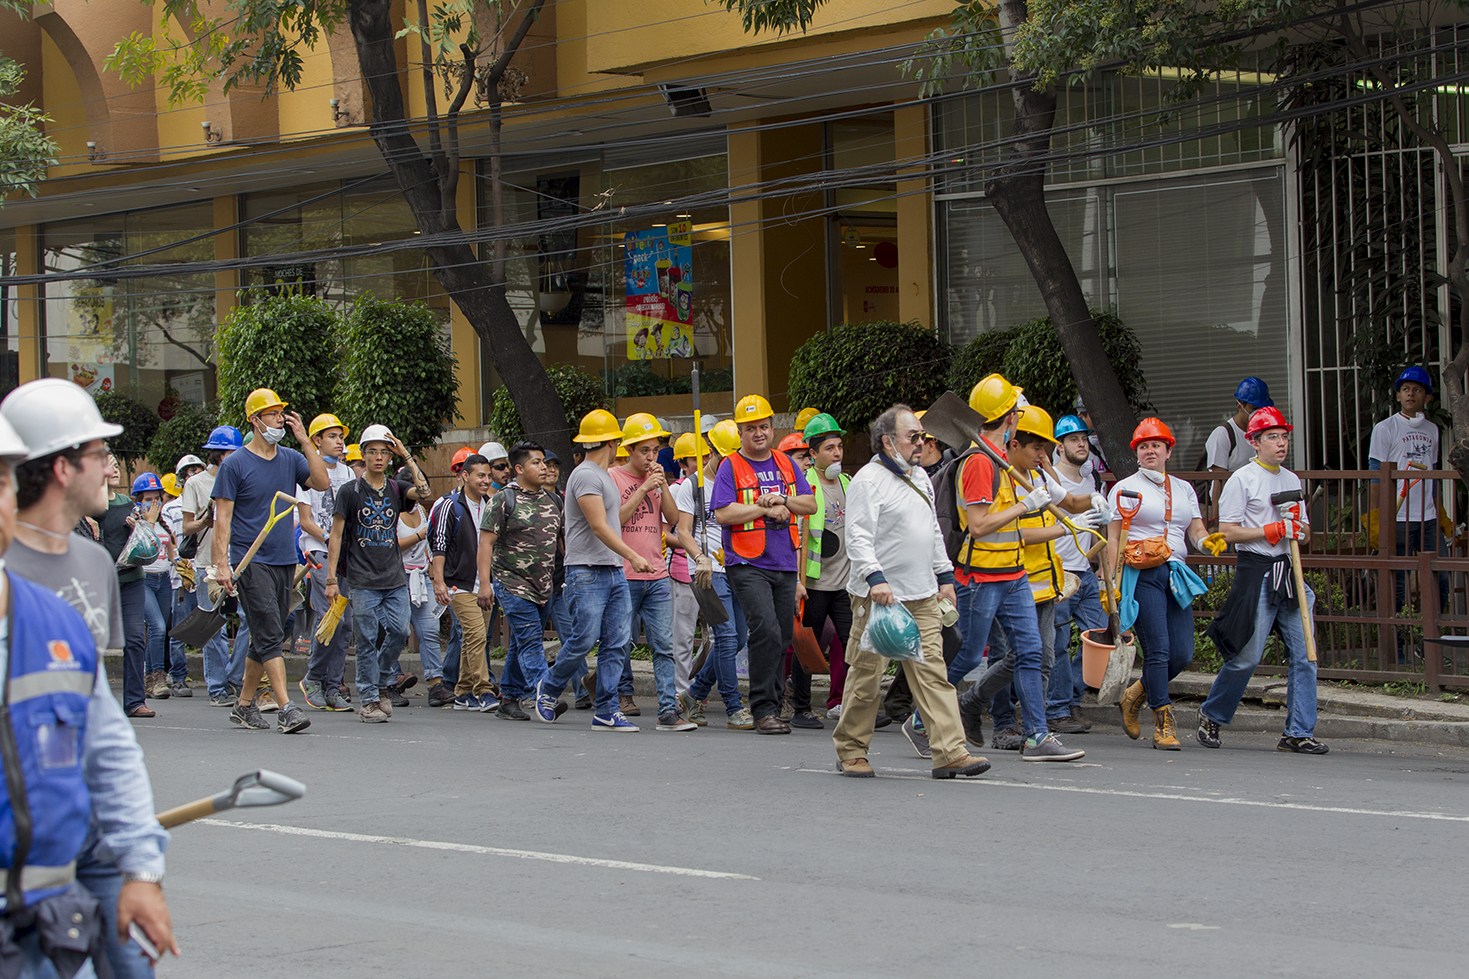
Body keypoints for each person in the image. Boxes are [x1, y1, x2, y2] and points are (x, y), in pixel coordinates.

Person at [1, 379, 178, 979]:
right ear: (59, 467)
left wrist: (140, 865)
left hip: (77, 833)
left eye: (3, 480)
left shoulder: (80, 581)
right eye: (99, 454)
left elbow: (104, 733)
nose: (111, 469)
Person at [832, 405, 992, 779]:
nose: (922, 443)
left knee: (933, 674)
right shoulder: (868, 481)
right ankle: (851, 751)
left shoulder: (920, 477)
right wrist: (876, 580)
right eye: (913, 437)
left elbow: (933, 532)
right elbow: (856, 537)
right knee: (866, 679)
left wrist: (945, 577)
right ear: (888, 442)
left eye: (923, 436)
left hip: (921, 595)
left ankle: (950, 751)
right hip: (877, 598)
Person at [948, 375, 1085, 761]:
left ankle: (1037, 737)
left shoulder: (1001, 460)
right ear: (1010, 417)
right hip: (980, 577)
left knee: (1030, 653)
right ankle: (922, 719)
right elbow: (978, 525)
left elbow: (1064, 503)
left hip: (1012, 574)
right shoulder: (978, 462)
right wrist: (1027, 505)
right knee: (970, 655)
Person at [1199, 407, 1327, 754]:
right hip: (1257, 570)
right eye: (1272, 436)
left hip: (1290, 570)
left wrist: (1299, 532)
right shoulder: (1242, 479)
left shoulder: (1291, 480)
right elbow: (1226, 533)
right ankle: (1213, 714)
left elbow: (1303, 533)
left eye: (1284, 436)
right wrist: (1272, 530)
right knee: (1247, 656)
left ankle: (1298, 732)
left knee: (1306, 656)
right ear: (1254, 442)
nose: (1281, 442)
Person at [532, 409, 656, 731]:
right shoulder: (586, 475)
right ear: (613, 441)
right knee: (584, 638)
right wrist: (634, 555)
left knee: (617, 641)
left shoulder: (604, 476)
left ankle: (606, 709)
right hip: (586, 571)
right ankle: (548, 687)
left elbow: (615, 520)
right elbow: (599, 527)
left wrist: (641, 493)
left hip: (612, 570)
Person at [211, 388, 327, 733]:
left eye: (281, 413)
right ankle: (286, 707)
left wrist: (306, 440)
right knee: (270, 632)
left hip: (282, 559)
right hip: (249, 560)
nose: (279, 419)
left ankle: (243, 706)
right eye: (273, 414)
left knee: (264, 635)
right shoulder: (234, 464)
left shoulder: (290, 457)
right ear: (255, 420)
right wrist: (222, 564)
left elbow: (319, 482)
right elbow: (223, 520)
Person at [1106, 417, 1221, 750]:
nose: (1150, 451)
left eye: (1156, 444)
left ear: (1168, 450)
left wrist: (1207, 542)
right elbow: (1113, 537)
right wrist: (1113, 581)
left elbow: (1195, 529)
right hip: (1142, 573)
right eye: (1144, 446)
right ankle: (1164, 724)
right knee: (1157, 651)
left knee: (1182, 653)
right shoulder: (1125, 488)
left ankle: (1135, 694)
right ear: (1137, 454)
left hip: (1176, 572)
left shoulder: (1184, 489)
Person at [708, 395, 817, 734]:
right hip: (746, 561)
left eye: (764, 427)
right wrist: (764, 507)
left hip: (783, 562)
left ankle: (773, 703)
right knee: (766, 629)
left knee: (782, 635)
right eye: (751, 428)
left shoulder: (787, 463)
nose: (758, 433)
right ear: (741, 432)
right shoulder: (730, 466)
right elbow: (724, 513)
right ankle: (763, 709)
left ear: (772, 428)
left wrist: (783, 499)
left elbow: (809, 504)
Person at [325, 425, 429, 723]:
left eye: (384, 452)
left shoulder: (396, 488)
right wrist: (331, 579)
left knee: (400, 632)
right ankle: (369, 699)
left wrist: (405, 454)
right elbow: (335, 534)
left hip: (394, 577)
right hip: (362, 578)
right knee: (367, 638)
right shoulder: (350, 491)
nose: (379, 457)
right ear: (364, 455)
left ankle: (382, 682)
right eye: (372, 452)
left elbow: (425, 492)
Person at [611, 413, 695, 731]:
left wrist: (663, 487)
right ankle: (617, 698)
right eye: (644, 450)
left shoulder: (659, 480)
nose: (651, 456)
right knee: (619, 641)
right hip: (624, 573)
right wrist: (645, 487)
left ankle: (667, 711)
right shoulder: (613, 477)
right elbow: (614, 519)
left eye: (655, 450)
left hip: (657, 573)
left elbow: (672, 518)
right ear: (629, 450)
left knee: (664, 645)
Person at [676, 420, 752, 729]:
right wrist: (699, 558)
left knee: (736, 640)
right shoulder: (692, 486)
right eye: (725, 456)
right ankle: (734, 706)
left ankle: (695, 693)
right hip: (710, 573)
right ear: (711, 453)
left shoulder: (740, 482)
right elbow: (682, 530)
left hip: (739, 567)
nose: (731, 462)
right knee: (727, 635)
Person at [479, 441, 562, 721]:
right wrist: (484, 584)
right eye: (536, 463)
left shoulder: (553, 500)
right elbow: (486, 544)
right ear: (519, 468)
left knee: (522, 641)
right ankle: (546, 694)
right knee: (530, 641)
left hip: (544, 585)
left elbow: (562, 542)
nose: (544, 467)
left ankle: (509, 698)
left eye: (545, 462)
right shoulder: (503, 499)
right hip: (512, 583)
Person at [1044, 413, 1110, 733]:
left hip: (1084, 572)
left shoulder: (1090, 481)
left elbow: (1097, 528)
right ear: (1060, 446)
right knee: (1057, 643)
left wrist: (1101, 568)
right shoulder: (1049, 479)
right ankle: (1056, 710)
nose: (1081, 443)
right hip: (1057, 573)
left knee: (1100, 636)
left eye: (1084, 438)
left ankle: (1070, 696)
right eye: (1073, 439)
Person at [1369, 365, 1448, 618]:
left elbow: (1433, 475)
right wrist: (1375, 517)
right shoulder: (1386, 428)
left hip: (1428, 517)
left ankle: (1429, 641)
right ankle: (1401, 646)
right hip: (1398, 516)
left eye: (1417, 390)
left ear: (1427, 397)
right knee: (1399, 584)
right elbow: (1375, 475)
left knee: (1442, 575)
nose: (1410, 394)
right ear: (1398, 395)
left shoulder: (1432, 430)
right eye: (1405, 389)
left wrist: (1440, 511)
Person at [790, 412, 851, 729]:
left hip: (844, 582)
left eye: (839, 446)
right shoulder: (806, 485)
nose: (837, 453)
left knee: (852, 641)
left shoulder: (846, 482)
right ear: (813, 454)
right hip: (814, 582)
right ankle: (801, 708)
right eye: (829, 448)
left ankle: (854, 705)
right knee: (806, 646)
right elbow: (799, 536)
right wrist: (799, 582)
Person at [297, 413, 358, 712]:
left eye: (341, 437)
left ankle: (333, 687)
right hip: (319, 554)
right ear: (316, 441)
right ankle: (312, 679)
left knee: (345, 625)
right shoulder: (306, 471)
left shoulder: (348, 474)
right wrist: (329, 538)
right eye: (332, 437)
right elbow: (305, 521)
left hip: (343, 556)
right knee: (329, 619)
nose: (339, 442)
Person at [430, 452, 501, 712]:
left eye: (488, 476)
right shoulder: (450, 505)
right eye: (480, 475)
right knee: (475, 634)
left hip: (484, 583)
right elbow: (439, 545)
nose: (485, 481)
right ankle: (483, 689)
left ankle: (462, 691)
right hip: (457, 584)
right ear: (465, 476)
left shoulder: (491, 504)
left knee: (474, 638)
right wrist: (439, 582)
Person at [180, 425, 245, 707]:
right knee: (213, 627)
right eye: (230, 453)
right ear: (218, 455)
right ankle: (218, 688)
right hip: (207, 562)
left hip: (239, 560)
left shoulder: (243, 479)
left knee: (249, 620)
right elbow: (186, 526)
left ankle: (234, 675)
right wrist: (206, 521)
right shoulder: (195, 484)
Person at [397, 473, 450, 707]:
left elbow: (429, 543)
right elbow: (391, 545)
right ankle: (388, 680)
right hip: (396, 578)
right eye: (415, 488)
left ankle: (435, 684)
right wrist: (420, 534)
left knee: (430, 630)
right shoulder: (391, 510)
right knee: (397, 632)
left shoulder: (420, 510)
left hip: (421, 577)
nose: (418, 492)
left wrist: (432, 569)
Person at [665, 432, 708, 702]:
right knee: (681, 638)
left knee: (719, 637)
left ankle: (698, 685)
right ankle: (681, 691)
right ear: (682, 463)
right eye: (695, 459)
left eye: (705, 457)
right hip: (683, 572)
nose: (701, 464)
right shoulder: (676, 489)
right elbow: (664, 533)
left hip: (714, 570)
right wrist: (690, 546)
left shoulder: (714, 486)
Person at [132, 473, 178, 705]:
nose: (153, 504)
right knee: (157, 627)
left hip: (164, 580)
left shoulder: (164, 525)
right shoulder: (136, 524)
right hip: (144, 580)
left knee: (162, 628)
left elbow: (172, 553)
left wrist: (181, 563)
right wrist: (148, 521)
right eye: (147, 500)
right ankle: (158, 677)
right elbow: (139, 547)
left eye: (156, 499)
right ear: (138, 501)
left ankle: (151, 678)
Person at [162, 455, 204, 699]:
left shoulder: (210, 504)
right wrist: (180, 563)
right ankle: (178, 677)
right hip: (182, 578)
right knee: (179, 629)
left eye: (196, 471)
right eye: (188, 473)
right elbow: (169, 541)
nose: (192, 476)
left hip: (206, 574)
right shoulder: (171, 509)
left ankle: (217, 681)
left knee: (212, 629)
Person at [1205, 376, 1274, 474]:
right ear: (1240, 406)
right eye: (1254, 409)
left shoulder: (1263, 434)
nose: (1258, 414)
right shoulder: (1223, 434)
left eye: (1262, 409)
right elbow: (1218, 480)